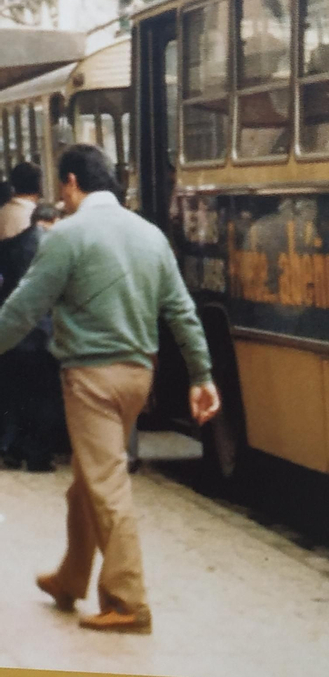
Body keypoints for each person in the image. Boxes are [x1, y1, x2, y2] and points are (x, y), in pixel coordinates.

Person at [0, 145, 220, 634]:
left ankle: (128, 599)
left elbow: (22, 310)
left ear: (73, 183)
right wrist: (202, 376)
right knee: (88, 479)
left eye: (64, 188)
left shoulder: (66, 237)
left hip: (91, 380)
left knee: (105, 483)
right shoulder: (150, 236)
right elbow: (182, 311)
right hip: (137, 377)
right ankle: (70, 576)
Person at [0, 162, 61, 471]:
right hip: (44, 333)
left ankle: (11, 447)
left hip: (12, 332)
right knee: (44, 397)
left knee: (13, 394)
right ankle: (38, 456)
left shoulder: (9, 247)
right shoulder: (55, 249)